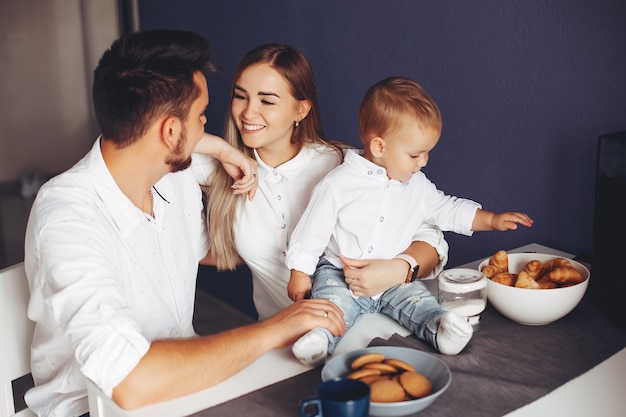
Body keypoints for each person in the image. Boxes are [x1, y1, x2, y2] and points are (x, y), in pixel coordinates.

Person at [24, 30, 346, 416]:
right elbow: (130, 381)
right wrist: (274, 329)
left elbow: (200, 243)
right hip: (94, 408)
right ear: (171, 131)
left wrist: (221, 148)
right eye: (202, 117)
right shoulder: (68, 216)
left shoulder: (174, 178)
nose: (211, 126)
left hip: (186, 393)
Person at [285, 76, 534, 366]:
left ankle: (442, 329)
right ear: (379, 147)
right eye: (416, 154)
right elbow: (312, 229)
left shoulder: (417, 184)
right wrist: (300, 272)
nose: (424, 161)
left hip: (394, 278)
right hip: (340, 272)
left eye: (427, 152)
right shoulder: (339, 184)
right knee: (330, 306)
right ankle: (318, 340)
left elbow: (446, 208)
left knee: (419, 301)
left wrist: (490, 219)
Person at [192, 44, 450, 322]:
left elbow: (433, 240)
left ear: (301, 110)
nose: (248, 112)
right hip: (287, 344)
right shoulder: (221, 170)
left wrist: (400, 269)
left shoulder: (342, 165)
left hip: (374, 332)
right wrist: (220, 149)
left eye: (267, 101)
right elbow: (148, 146)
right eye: (240, 96)